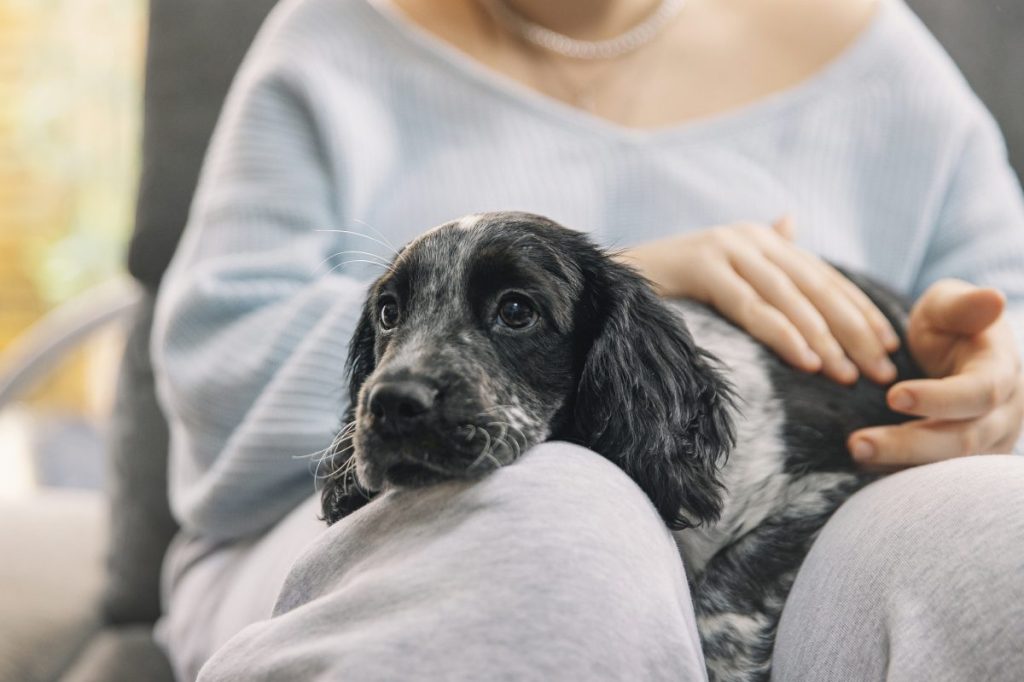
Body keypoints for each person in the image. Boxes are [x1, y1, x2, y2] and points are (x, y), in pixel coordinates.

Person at [151, 0, 1024, 679]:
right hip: (347, 530)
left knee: (996, 536)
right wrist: (633, 284)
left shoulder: (880, 52)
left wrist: (989, 378)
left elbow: (1005, 306)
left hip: (810, 506)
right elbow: (217, 365)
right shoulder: (330, 38)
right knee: (552, 513)